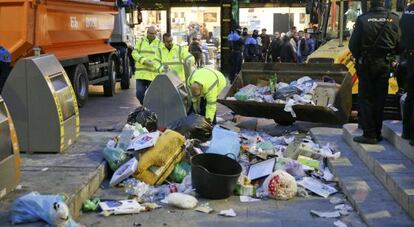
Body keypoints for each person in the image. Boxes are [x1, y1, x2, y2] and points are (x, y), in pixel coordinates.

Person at [349, 0, 400, 144]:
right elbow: (400, 44)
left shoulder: (363, 19)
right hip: (384, 64)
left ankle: (369, 134)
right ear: (384, 3)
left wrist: (362, 56)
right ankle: (377, 132)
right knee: (380, 98)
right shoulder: (394, 19)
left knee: (366, 99)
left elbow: (353, 45)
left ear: (370, 4)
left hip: (367, 64)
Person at [132, 26, 162, 104]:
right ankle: (144, 105)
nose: (151, 35)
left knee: (152, 95)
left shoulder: (159, 44)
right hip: (141, 74)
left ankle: (148, 109)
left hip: (152, 75)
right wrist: (144, 61)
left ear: (156, 33)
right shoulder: (141, 41)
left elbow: (161, 57)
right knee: (139, 93)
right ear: (147, 33)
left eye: (153, 33)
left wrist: (154, 64)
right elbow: (134, 53)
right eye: (149, 33)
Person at [400, 0, 414, 146]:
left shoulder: (408, 10)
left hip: (410, 56)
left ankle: (407, 131)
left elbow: (402, 34)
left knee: (411, 95)